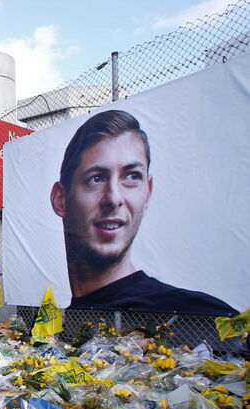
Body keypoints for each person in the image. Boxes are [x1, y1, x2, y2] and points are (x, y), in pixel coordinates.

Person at [50, 109, 236, 315]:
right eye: (97, 178)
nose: (113, 198)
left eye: (131, 176)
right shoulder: (67, 318)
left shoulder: (203, 316)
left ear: (147, 194)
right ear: (60, 200)